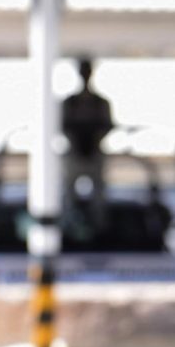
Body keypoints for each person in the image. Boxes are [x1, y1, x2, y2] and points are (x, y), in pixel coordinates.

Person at [61, 57, 114, 234]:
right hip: (75, 152)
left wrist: (94, 139)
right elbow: (63, 126)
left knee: (99, 197)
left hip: (94, 152)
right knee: (68, 195)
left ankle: (100, 229)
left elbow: (106, 125)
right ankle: (68, 227)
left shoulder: (100, 102)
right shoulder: (70, 103)